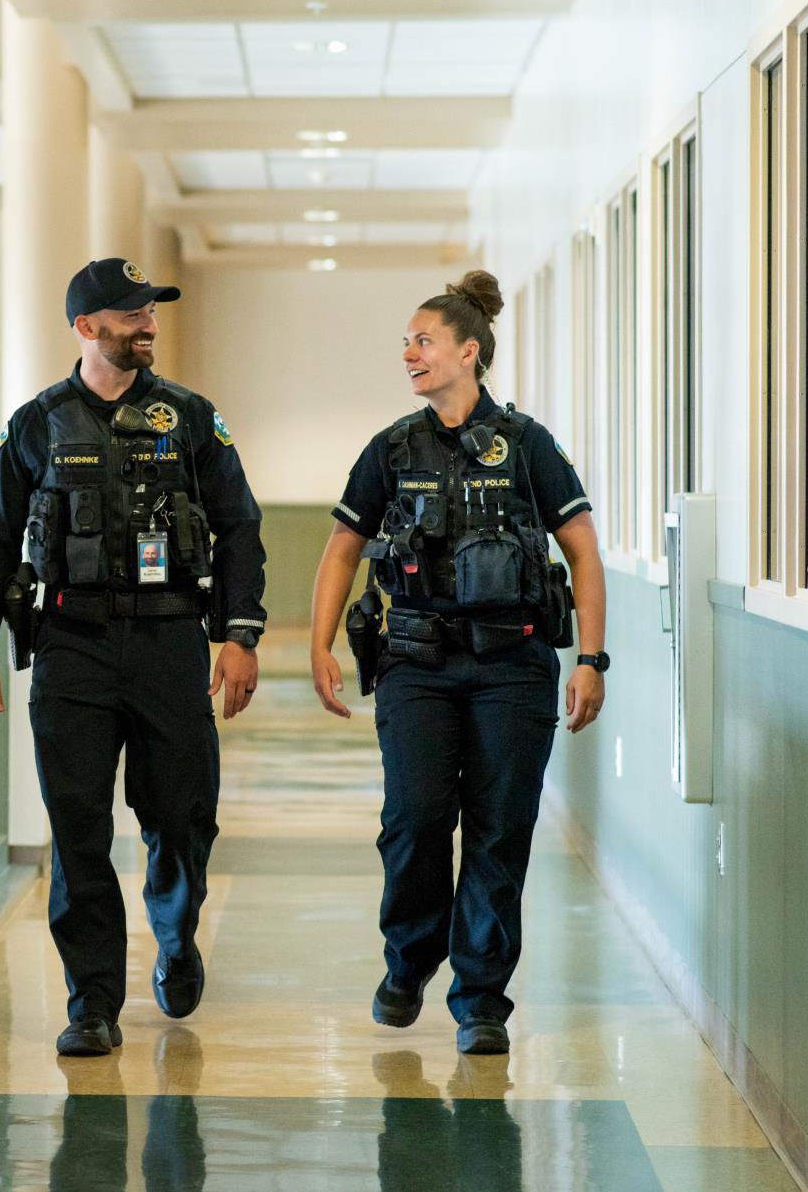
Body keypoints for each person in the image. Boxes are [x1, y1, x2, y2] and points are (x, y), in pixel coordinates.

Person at [0, 257, 268, 1057]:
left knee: (180, 814)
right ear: (86, 327)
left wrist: (239, 634)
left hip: (169, 642)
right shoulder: (37, 424)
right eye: (132, 314)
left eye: (150, 312)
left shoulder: (190, 418)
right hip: (71, 645)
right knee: (78, 830)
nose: (148, 325)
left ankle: (175, 934)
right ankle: (92, 999)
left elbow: (239, 526)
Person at [307, 270, 607, 1055]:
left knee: (500, 829)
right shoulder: (392, 448)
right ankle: (408, 964)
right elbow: (342, 548)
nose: (408, 352)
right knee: (414, 820)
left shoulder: (529, 446)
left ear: (467, 352)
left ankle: (481, 998)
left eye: (422, 339)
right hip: (416, 664)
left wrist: (592, 658)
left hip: (514, 665)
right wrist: (319, 641)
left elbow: (581, 551)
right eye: (405, 341)